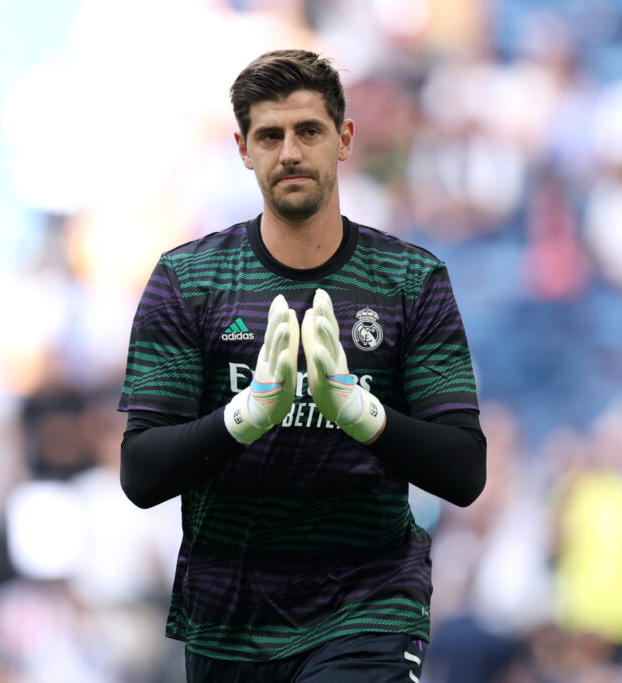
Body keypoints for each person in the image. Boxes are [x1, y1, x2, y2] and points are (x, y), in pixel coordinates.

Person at [118, 49, 487, 682]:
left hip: (369, 605)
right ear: (242, 148)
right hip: (228, 619)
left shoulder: (410, 280)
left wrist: (362, 413)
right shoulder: (189, 280)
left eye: (308, 131)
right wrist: (245, 415)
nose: (289, 151)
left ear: (344, 139)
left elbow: (464, 469)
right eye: (270, 135)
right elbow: (141, 473)